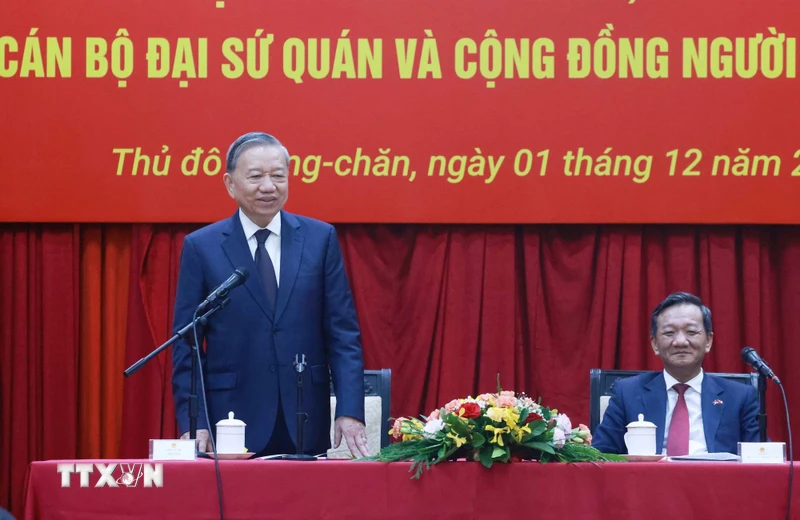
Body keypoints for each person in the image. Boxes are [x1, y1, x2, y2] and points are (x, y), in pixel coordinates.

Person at [171, 131, 369, 458]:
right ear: (230, 184)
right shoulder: (201, 247)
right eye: (255, 176)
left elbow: (343, 333)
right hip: (231, 419)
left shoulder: (320, 239)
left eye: (278, 176)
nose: (268, 186)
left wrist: (349, 410)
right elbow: (186, 345)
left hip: (305, 414)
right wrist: (196, 422)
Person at [592, 292, 759, 455]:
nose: (680, 342)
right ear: (654, 343)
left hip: (716, 474)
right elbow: (600, 455)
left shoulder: (739, 397)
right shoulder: (627, 393)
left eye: (691, 332)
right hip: (650, 474)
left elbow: (761, 458)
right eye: (669, 333)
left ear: (708, 341)